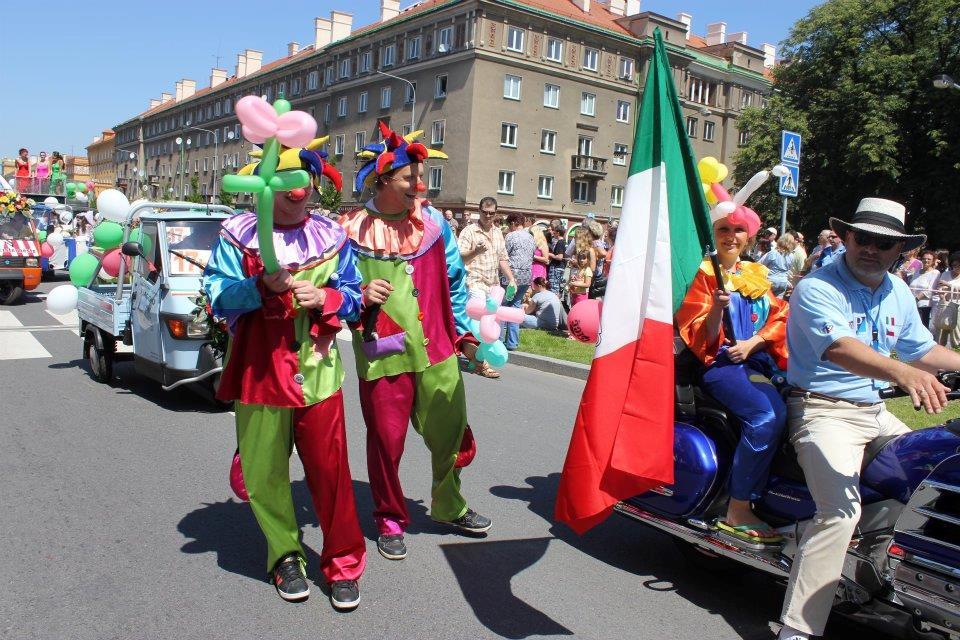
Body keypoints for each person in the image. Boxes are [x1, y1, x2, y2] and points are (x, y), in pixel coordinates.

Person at [778, 198, 960, 640]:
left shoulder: (897, 288)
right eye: (864, 238)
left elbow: (922, 349)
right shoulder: (817, 287)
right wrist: (901, 372)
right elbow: (838, 347)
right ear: (846, 237)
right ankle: (797, 631)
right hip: (823, 410)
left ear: (901, 249)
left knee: (926, 482)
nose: (872, 249)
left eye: (885, 242)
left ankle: (887, 579)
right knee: (839, 511)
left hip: (874, 412)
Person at [202, 138, 366, 611]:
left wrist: (330, 300)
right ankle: (285, 555)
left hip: (318, 377)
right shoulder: (238, 235)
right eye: (287, 181)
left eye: (305, 180)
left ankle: (343, 562)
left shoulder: (332, 237)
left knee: (331, 475)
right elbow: (217, 295)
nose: (299, 191)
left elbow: (354, 297)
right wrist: (256, 287)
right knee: (266, 474)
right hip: (259, 376)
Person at [339, 122, 492, 563]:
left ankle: (448, 505)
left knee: (449, 432)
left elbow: (455, 282)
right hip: (384, 353)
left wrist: (462, 333)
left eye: (419, 177)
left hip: (439, 347)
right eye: (410, 177)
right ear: (384, 178)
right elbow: (337, 290)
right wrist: (360, 300)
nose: (419, 186)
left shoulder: (433, 224)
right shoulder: (350, 230)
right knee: (386, 441)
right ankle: (389, 516)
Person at [675, 205, 789, 549]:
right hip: (719, 366)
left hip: (759, 361)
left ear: (749, 236)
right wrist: (717, 309)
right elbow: (700, 336)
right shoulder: (702, 274)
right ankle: (739, 509)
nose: (731, 236)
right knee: (767, 415)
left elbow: (779, 316)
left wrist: (754, 342)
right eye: (724, 229)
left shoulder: (755, 272)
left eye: (738, 230)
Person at [457, 197, 516, 377]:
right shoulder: (469, 232)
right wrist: (476, 251)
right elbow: (459, 259)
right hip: (475, 283)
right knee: (482, 326)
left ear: (496, 213)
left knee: (493, 326)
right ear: (479, 211)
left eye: (491, 213)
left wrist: (511, 279)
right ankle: (483, 363)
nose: (488, 216)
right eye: (484, 212)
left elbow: (502, 259)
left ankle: (477, 358)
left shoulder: (498, 233)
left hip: (494, 287)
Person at [503, 212, 536, 350]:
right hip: (526, 276)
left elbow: (503, 254)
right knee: (516, 307)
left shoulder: (510, 236)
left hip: (511, 276)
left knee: (503, 307)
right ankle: (512, 342)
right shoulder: (531, 237)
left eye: (509, 225)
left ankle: (497, 340)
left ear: (513, 223)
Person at [930, 251, 960, 347]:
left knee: (956, 333)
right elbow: (940, 288)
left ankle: (956, 351)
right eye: (954, 264)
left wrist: (948, 285)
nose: (956, 267)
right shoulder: (945, 274)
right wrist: (943, 296)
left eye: (959, 265)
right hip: (944, 304)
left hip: (958, 308)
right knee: (941, 330)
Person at [759, 232, 798, 298]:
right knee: (778, 304)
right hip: (783, 282)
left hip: (771, 281)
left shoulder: (773, 253)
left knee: (767, 301)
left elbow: (762, 265)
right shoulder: (791, 256)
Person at [909, 249, 940, 327]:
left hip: (924, 306)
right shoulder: (917, 272)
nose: (926, 260)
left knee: (922, 327)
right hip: (911, 305)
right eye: (924, 258)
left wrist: (916, 299)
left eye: (929, 259)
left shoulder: (935, 273)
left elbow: (929, 290)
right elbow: (911, 286)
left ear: (933, 261)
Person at [546, 220, 567, 296]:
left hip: (556, 267)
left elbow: (560, 257)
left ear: (558, 233)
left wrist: (550, 255)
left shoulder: (560, 242)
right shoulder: (563, 242)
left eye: (554, 232)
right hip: (558, 267)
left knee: (554, 288)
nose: (553, 234)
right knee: (556, 287)